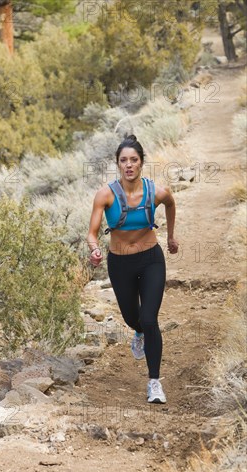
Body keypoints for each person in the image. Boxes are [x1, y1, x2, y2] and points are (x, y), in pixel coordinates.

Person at [86, 134, 179, 403]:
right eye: (123, 160)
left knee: (150, 319)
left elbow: (171, 204)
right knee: (132, 318)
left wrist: (171, 236)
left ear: (141, 163)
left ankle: (154, 382)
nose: (129, 165)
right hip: (120, 263)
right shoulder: (105, 195)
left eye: (134, 160)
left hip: (151, 259)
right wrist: (94, 249)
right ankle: (137, 333)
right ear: (118, 164)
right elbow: (92, 233)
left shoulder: (157, 192)